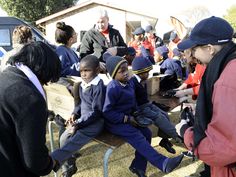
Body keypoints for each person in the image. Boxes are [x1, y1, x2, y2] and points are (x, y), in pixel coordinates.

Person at [175, 16, 236, 177]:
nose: (193, 55)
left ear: (209, 48)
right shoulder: (229, 64)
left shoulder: (227, 80)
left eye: (195, 49)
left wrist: (186, 132)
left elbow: (223, 148)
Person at [103, 56, 183, 177]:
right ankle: (163, 163)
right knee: (137, 136)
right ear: (113, 74)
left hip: (130, 117)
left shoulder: (128, 83)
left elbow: (132, 102)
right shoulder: (113, 88)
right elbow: (107, 112)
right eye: (121, 71)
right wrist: (127, 119)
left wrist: (136, 114)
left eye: (126, 70)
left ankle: (138, 166)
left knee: (147, 133)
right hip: (116, 122)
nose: (126, 73)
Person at [0, 41, 61, 177]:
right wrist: (50, 163)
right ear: (46, 71)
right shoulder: (30, 98)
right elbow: (34, 160)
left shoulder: (4, 77)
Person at [51, 55, 106, 177]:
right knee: (63, 138)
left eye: (87, 70)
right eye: (81, 71)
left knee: (76, 139)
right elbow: (80, 104)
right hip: (82, 120)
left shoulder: (98, 86)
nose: (83, 74)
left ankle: (53, 160)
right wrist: (74, 114)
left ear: (97, 70)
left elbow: (96, 111)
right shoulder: (81, 85)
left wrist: (79, 123)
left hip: (95, 122)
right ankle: (69, 165)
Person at [129, 56, 182, 154]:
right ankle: (177, 136)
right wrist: (136, 113)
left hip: (146, 104)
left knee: (165, 114)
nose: (149, 75)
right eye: (147, 73)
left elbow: (144, 97)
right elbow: (132, 100)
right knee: (159, 117)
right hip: (140, 109)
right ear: (141, 73)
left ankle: (164, 141)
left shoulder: (142, 80)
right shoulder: (132, 83)